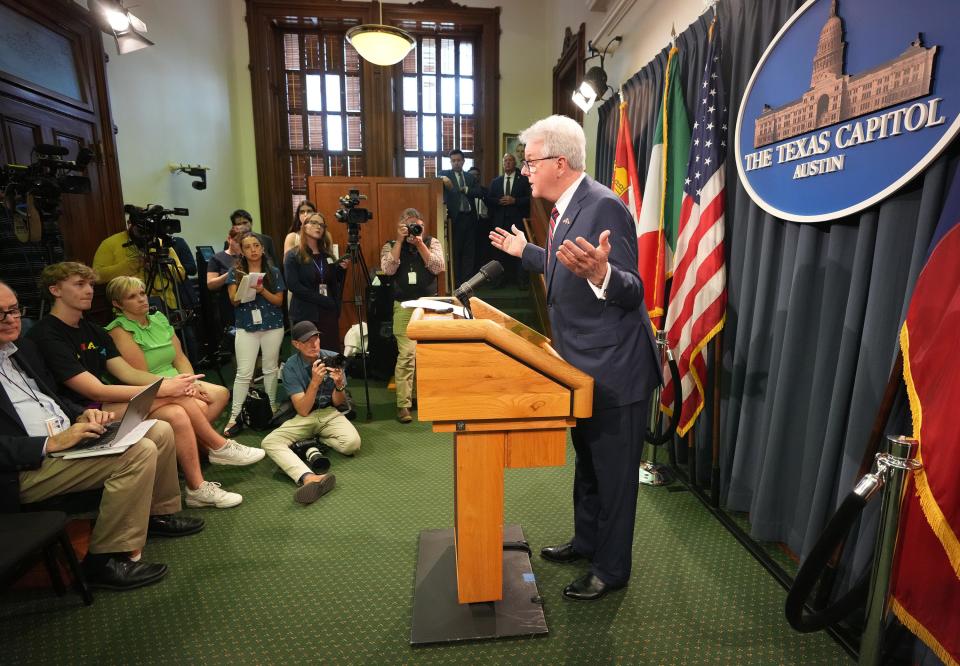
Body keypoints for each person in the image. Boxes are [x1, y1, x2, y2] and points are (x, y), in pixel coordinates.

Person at [489, 115, 661, 601]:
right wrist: (529, 253)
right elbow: (569, 270)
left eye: (530, 162)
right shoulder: (566, 206)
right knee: (588, 466)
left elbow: (631, 288)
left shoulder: (603, 206)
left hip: (617, 373)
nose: (525, 171)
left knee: (614, 479)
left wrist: (605, 273)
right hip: (583, 369)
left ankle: (610, 570)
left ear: (559, 163)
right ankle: (587, 542)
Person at [0, 281, 205, 590]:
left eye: (14, 310)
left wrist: (80, 414)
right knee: (137, 452)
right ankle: (104, 559)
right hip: (23, 468)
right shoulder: (41, 337)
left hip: (64, 437)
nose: (12, 319)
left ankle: (158, 515)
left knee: (159, 430)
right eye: (1, 314)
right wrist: (49, 443)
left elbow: (50, 398)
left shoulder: (19, 351)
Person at [27, 262, 261, 509]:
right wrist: (165, 387)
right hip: (76, 413)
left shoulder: (92, 330)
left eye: (90, 285)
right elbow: (93, 390)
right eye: (79, 284)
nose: (89, 290)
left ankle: (197, 485)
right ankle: (216, 449)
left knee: (177, 410)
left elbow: (125, 371)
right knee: (177, 402)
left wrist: (169, 384)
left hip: (103, 404)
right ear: (55, 290)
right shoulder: (47, 334)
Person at [105, 276, 230, 426]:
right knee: (201, 405)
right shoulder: (119, 330)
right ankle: (203, 445)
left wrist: (192, 382)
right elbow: (140, 374)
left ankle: (197, 444)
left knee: (221, 393)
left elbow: (180, 358)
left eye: (142, 293)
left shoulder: (159, 319)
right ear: (118, 304)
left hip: (178, 380)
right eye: (132, 296)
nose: (141, 299)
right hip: (153, 387)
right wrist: (178, 386)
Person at [261, 321, 360, 505]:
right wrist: (314, 382)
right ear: (296, 344)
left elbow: (338, 403)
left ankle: (313, 442)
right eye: (307, 341)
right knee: (269, 442)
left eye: (316, 339)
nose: (314, 344)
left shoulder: (333, 358)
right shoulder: (291, 367)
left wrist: (339, 385)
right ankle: (307, 477)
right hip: (305, 416)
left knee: (352, 445)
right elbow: (303, 409)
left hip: (329, 412)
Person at [379, 208, 445, 423]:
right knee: (407, 355)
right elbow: (388, 269)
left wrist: (420, 244)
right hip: (404, 307)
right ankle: (403, 405)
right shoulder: (390, 245)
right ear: (401, 227)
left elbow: (438, 267)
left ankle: (423, 399)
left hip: (428, 306)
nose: (414, 231)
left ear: (423, 225)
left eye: (418, 226)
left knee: (427, 356)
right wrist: (399, 241)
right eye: (409, 226)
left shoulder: (431, 241)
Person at [224, 232, 285, 436]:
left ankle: (271, 408)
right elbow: (233, 300)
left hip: (272, 326)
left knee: (270, 369)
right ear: (242, 250)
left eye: (256, 245)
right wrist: (247, 289)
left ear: (263, 248)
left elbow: (279, 301)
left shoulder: (274, 272)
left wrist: (261, 291)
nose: (253, 249)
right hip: (246, 326)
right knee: (244, 372)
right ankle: (235, 415)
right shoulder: (235, 272)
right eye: (248, 246)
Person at [92, 215, 186, 311]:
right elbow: (97, 276)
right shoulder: (110, 243)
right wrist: (132, 264)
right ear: (130, 224)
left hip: (167, 305)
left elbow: (181, 275)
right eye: (141, 227)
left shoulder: (161, 243)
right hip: (129, 310)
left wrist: (162, 268)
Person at [284, 212, 348, 352]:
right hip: (305, 313)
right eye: (313, 223)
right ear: (304, 226)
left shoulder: (328, 256)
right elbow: (293, 286)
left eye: (321, 224)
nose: (318, 227)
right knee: (310, 355)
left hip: (328, 313)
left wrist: (341, 271)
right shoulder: (293, 256)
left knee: (330, 353)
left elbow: (333, 282)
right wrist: (322, 300)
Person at [487, 153, 532, 287]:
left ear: (515, 163)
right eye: (505, 160)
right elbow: (488, 199)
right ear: (502, 163)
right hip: (499, 222)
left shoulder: (523, 180)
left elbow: (530, 200)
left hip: (517, 222)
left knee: (519, 252)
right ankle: (499, 281)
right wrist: (498, 201)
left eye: (510, 160)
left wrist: (515, 201)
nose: (507, 163)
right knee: (499, 252)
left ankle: (521, 282)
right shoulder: (496, 181)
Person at [440, 149, 481, 287]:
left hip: (470, 218)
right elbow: (434, 180)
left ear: (463, 161)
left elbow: (479, 192)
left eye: (458, 160)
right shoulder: (446, 174)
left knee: (469, 252)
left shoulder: (470, 177)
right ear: (450, 162)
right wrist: (442, 179)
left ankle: (467, 282)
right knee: (455, 251)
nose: (456, 163)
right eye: (453, 161)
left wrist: (468, 190)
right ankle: (456, 282)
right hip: (454, 219)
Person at [206, 226, 244, 329]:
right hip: (228, 305)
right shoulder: (217, 258)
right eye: (236, 241)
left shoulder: (246, 257)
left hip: (249, 302)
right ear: (229, 239)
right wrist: (230, 273)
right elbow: (210, 284)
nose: (238, 245)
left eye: (241, 242)